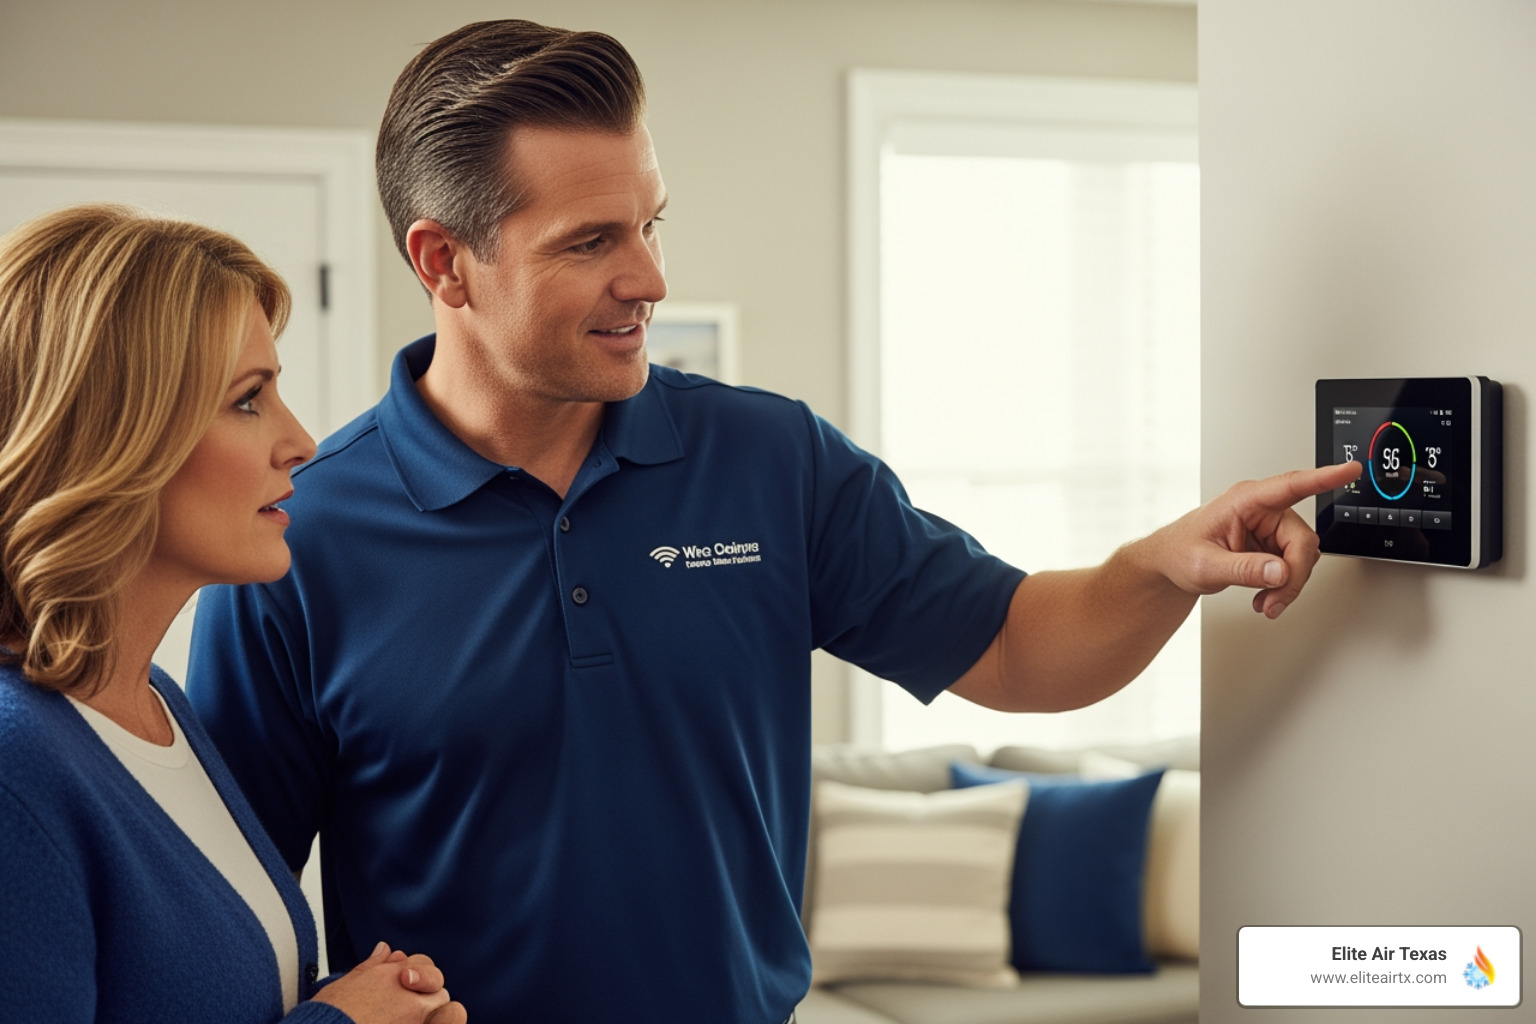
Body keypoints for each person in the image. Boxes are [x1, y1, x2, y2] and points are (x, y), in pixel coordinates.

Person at [187, 19, 1362, 1023]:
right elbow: (232, 906)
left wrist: (1163, 565)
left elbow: (1015, 642)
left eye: (652, 222)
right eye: (592, 241)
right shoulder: (298, 530)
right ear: (445, 262)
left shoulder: (767, 457)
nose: (648, 277)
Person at [0, 204, 467, 1024]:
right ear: (115, 433)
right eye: (249, 400)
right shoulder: (15, 774)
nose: (301, 442)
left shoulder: (160, 711)